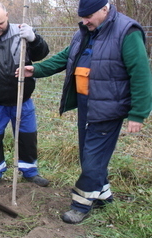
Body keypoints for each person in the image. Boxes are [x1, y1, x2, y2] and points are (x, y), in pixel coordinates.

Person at [17, 0, 152, 224]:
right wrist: (38, 69)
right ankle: (103, 196)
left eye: (89, 16)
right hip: (86, 104)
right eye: (83, 16)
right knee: (87, 155)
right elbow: (66, 57)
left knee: (93, 158)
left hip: (109, 107)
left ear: (104, 9)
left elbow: (140, 73)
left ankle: (80, 204)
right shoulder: (84, 32)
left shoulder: (127, 32)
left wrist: (138, 113)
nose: (85, 20)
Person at [0, 2, 50, 187]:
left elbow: (42, 54)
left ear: (7, 16)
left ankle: (29, 171)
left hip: (22, 99)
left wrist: (34, 38)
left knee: (27, 136)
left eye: (0, 23)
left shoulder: (21, 32)